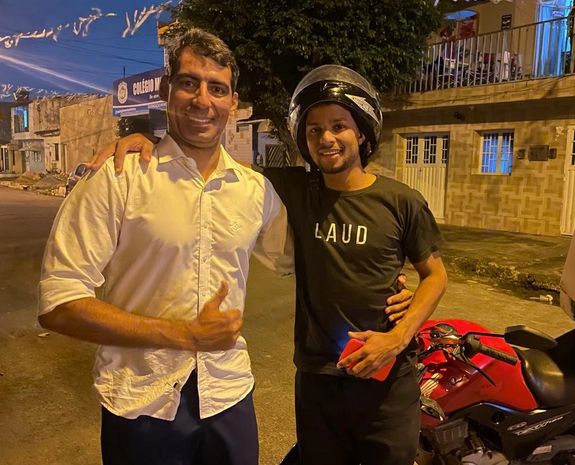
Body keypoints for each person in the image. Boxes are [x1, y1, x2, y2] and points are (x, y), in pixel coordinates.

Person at [94, 64, 447, 465]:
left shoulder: (401, 201)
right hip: (317, 379)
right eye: (314, 130)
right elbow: (213, 163)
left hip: (387, 377)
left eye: (339, 126)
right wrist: (153, 142)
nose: (326, 139)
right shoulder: (290, 189)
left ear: (363, 132)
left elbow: (435, 274)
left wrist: (398, 336)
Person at [38, 28, 292, 465]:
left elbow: (305, 260)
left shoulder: (254, 191)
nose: (202, 100)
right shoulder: (119, 177)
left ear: (233, 102)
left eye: (217, 88)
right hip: (142, 402)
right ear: (165, 89)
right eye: (189, 83)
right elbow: (59, 302)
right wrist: (183, 335)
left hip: (228, 395)